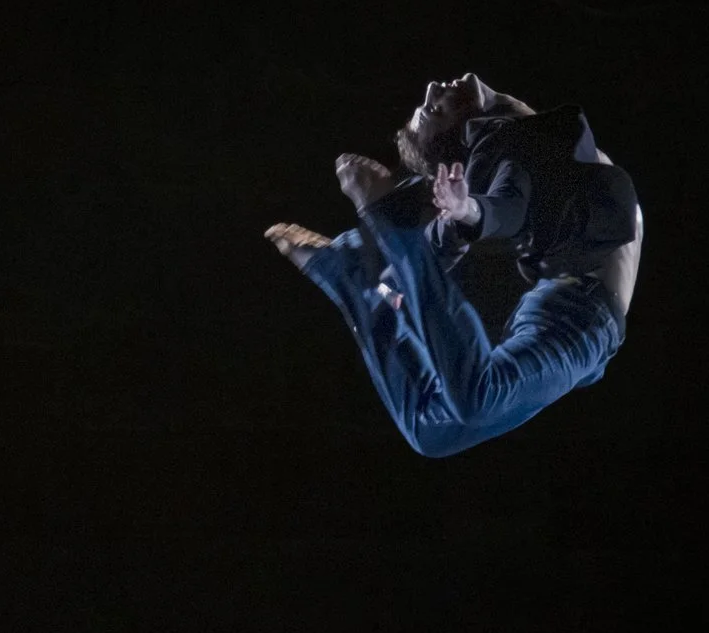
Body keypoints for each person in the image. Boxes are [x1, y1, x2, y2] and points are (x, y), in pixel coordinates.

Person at [266, 73, 641, 456]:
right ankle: (369, 249)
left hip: (575, 316)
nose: (433, 87)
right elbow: (503, 206)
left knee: (431, 432)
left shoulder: (526, 134)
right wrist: (462, 211)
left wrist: (458, 216)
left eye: (431, 104)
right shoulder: (511, 145)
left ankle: (356, 281)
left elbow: (486, 209)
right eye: (433, 110)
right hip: (578, 318)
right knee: (460, 411)